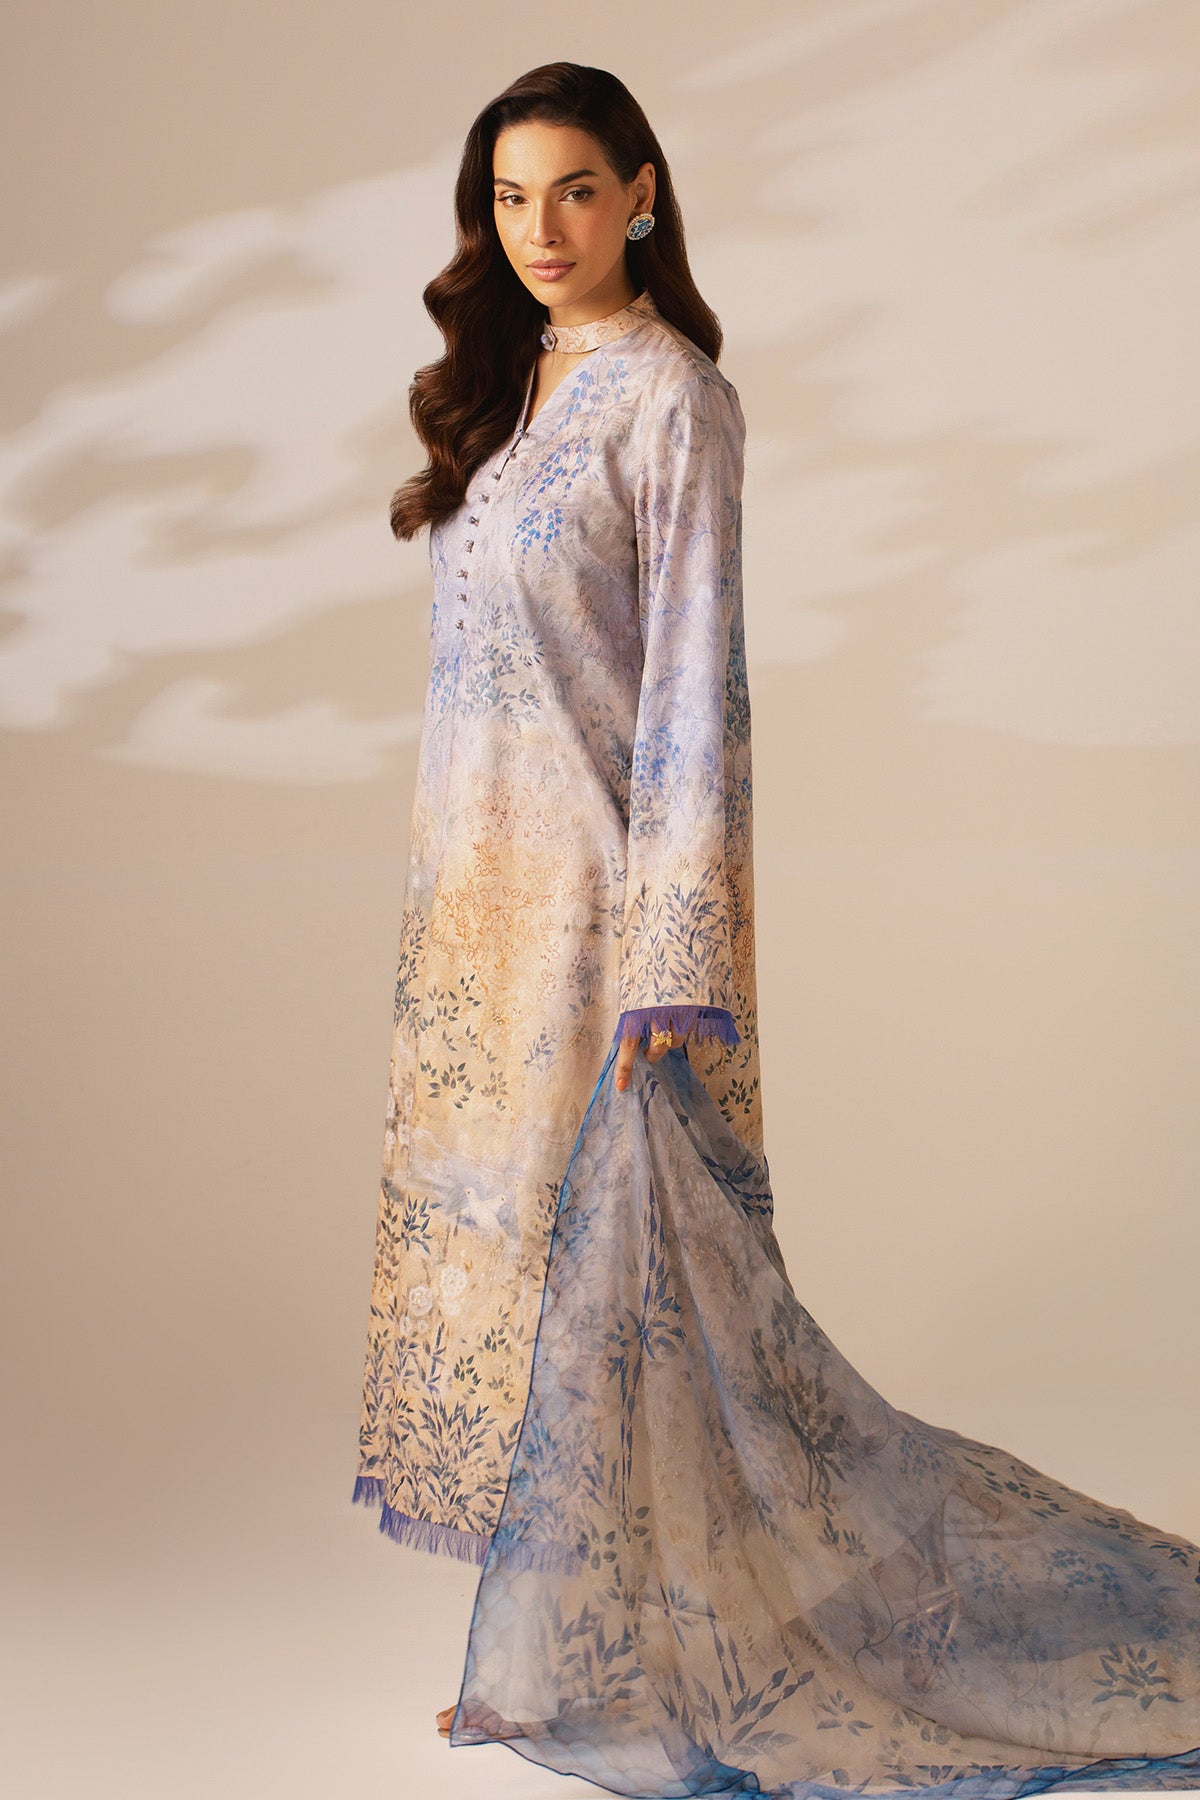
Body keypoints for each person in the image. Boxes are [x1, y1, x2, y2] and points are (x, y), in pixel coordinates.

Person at [354, 60, 1200, 1799]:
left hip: (605, 925)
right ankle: (544, 1648)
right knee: (523, 1280)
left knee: (640, 1293)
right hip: (478, 921)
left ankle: (658, 1654)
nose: (540, 230)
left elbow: (693, 693)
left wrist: (670, 961)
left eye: (574, 191)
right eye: (509, 199)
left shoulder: (675, 401)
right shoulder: (511, 395)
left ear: (642, 194)